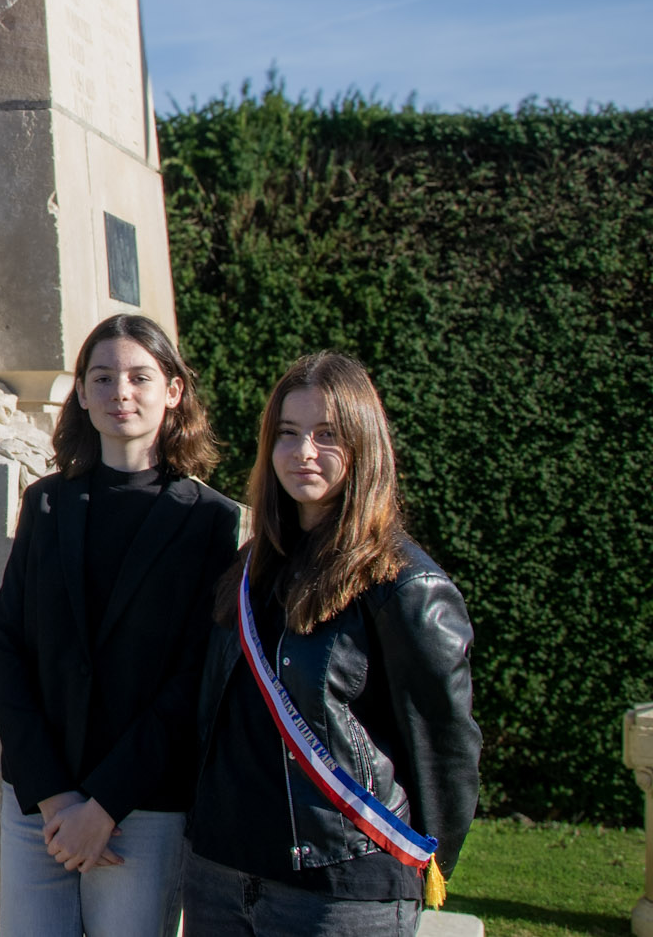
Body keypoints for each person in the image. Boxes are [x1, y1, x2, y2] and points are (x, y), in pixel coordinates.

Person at [185, 352, 480, 934]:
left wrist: (414, 862)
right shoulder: (249, 568)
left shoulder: (406, 585)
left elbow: (446, 746)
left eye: (327, 436)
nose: (304, 453)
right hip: (220, 875)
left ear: (364, 445)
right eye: (288, 435)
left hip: (339, 891)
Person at [0, 313, 243, 937]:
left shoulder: (211, 521)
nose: (119, 392)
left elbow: (192, 680)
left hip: (140, 810)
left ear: (172, 391)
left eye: (138, 376)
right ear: (80, 391)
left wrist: (102, 806)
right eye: (101, 378)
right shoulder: (45, 503)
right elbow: (8, 646)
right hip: (38, 808)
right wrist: (55, 797)